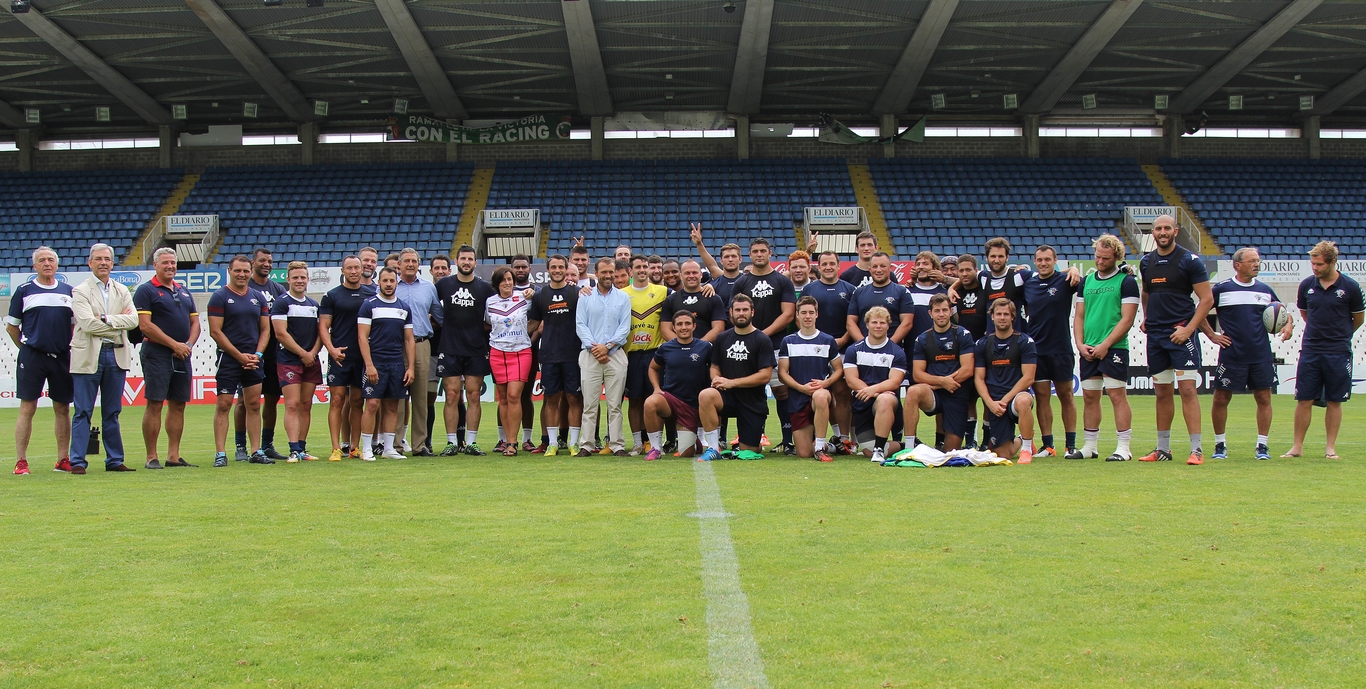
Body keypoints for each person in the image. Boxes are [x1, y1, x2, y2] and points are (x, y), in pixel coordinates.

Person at [1201, 247, 1292, 460]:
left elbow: (1284, 314)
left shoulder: (1265, 290)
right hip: (1232, 354)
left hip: (1261, 354)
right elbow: (1199, 312)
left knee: (1263, 398)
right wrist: (1212, 335)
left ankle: (1262, 446)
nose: (1257, 264)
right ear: (1237, 265)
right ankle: (1220, 445)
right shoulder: (1222, 289)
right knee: (1221, 398)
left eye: (1258, 261)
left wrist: (1288, 325)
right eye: (1252, 261)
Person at [1137, 214, 1214, 465]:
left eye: (1167, 228)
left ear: (1176, 231)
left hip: (1180, 333)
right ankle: (1163, 450)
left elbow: (1207, 300)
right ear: (1153, 233)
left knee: (1188, 390)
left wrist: (1189, 329)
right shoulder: (1146, 261)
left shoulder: (1190, 261)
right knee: (1161, 392)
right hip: (1156, 336)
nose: (1162, 232)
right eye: (1158, 228)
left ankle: (1197, 449)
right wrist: (1147, 317)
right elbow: (1146, 292)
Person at [1285, 240, 1364, 460]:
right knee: (1304, 399)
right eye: (1313, 264)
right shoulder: (1306, 285)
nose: (1315, 268)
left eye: (1319, 264)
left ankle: (1330, 448)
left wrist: (1340, 335)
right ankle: (1297, 447)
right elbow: (1305, 314)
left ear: (1332, 262)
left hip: (1338, 351)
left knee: (1334, 400)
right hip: (1310, 350)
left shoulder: (1350, 287)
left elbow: (1358, 319)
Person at [70, 243, 143, 473]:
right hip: (88, 356)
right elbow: (86, 324)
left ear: (112, 263)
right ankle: (78, 462)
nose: (103, 263)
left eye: (107, 259)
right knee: (83, 411)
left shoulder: (122, 290)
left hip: (116, 354)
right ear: (90, 263)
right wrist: (115, 322)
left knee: (112, 412)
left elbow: (133, 321)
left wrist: (103, 318)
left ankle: (114, 460)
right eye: (98, 259)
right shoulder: (80, 290)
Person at [7, 246, 76, 475]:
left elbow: (74, 326)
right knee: (27, 407)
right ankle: (21, 462)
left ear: (57, 265)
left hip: (61, 357)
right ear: (34, 265)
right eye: (42, 260)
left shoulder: (69, 291)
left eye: (50, 260)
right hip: (33, 356)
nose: (47, 263)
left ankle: (63, 459)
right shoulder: (24, 290)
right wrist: (27, 347)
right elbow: (11, 326)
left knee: (62, 408)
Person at [1071, 234, 1139, 462]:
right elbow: (1079, 316)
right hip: (1088, 348)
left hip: (1115, 348)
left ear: (1116, 257)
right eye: (1097, 256)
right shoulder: (1086, 281)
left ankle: (1124, 447)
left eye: (1105, 258)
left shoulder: (1126, 281)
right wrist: (1080, 344)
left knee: (1116, 395)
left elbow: (1127, 319)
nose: (1100, 261)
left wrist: (1105, 345)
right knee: (1090, 397)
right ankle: (1090, 446)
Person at [135, 247, 199, 471]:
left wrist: (187, 346)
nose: (170, 266)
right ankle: (152, 456)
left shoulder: (184, 291)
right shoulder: (146, 290)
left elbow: (195, 324)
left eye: (173, 262)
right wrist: (174, 345)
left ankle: (174, 455)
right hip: (157, 353)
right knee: (154, 403)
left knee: (179, 405)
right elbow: (145, 326)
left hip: (183, 353)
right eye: (165, 263)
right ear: (155, 265)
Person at [732, 238, 797, 451]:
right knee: (750, 391)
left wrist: (761, 335)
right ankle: (753, 437)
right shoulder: (742, 282)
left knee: (781, 391)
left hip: (777, 345)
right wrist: (753, 337)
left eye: (763, 251)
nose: (759, 254)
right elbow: (733, 311)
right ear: (749, 255)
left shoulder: (782, 281)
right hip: (747, 347)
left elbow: (788, 314)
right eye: (755, 251)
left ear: (770, 253)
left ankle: (787, 440)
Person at [208, 255, 272, 467]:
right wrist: (238, 356)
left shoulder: (258, 297)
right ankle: (220, 453)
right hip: (229, 359)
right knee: (224, 404)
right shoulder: (219, 296)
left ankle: (256, 451)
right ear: (229, 271)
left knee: (253, 404)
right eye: (238, 271)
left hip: (253, 359)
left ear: (250, 270)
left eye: (246, 271)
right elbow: (215, 332)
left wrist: (258, 355)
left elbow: (265, 329)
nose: (242, 275)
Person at [698, 295, 776, 461]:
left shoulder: (762, 340)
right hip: (726, 397)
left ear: (752, 312)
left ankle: (749, 440)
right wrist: (716, 379)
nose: (741, 313)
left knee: (750, 450)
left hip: (752, 401)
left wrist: (731, 382)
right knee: (706, 394)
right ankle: (713, 448)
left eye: (745, 310)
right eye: (737, 310)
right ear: (731, 313)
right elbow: (714, 366)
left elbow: (765, 376)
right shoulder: (722, 338)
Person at [435, 245, 496, 456]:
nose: (467, 262)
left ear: (476, 263)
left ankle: (471, 442)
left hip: (476, 348)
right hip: (450, 347)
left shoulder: (485, 288)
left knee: (474, 396)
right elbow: (432, 308)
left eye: (470, 259)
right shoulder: (443, 285)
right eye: (463, 259)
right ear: (456, 261)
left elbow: (495, 314)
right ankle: (452, 442)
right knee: (451, 396)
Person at [1022, 245, 1080, 458]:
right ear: (1035, 261)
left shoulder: (1066, 281)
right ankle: (1048, 446)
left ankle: (1070, 445)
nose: (1044, 263)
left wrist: (1073, 269)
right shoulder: (1028, 282)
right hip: (1036, 350)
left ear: (1055, 261)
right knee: (1042, 396)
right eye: (1040, 260)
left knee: (1066, 395)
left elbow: (1084, 279)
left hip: (1061, 348)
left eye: (1048, 259)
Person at [320, 255, 375, 461]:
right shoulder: (331, 296)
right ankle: (336, 448)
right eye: (349, 268)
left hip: (362, 357)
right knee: (336, 400)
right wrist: (331, 349)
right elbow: (323, 327)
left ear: (362, 270)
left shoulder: (371, 295)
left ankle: (354, 447)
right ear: (342, 271)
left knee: (357, 401)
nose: (353, 271)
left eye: (357, 267)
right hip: (340, 356)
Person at [358, 267, 415, 461]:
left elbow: (409, 340)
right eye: (385, 281)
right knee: (372, 404)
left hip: (396, 364)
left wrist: (411, 367)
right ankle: (366, 448)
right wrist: (369, 365)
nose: (389, 284)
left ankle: (389, 448)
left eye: (392, 281)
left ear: (396, 283)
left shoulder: (404, 308)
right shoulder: (369, 305)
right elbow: (362, 337)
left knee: (392, 406)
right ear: (379, 282)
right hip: (376, 363)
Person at [575, 257, 632, 456]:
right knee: (589, 404)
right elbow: (580, 325)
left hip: (615, 354)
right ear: (596, 273)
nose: (608, 276)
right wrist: (595, 348)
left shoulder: (623, 298)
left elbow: (625, 328)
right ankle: (587, 445)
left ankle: (617, 445)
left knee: (615, 404)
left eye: (611, 272)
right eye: (604, 272)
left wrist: (607, 347)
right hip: (591, 355)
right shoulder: (585, 296)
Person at [800, 250, 856, 450]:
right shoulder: (809, 289)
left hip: (843, 347)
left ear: (839, 265)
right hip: (815, 348)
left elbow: (854, 320)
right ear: (819, 266)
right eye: (824, 264)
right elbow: (802, 317)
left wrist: (843, 340)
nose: (828, 267)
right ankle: (825, 435)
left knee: (842, 392)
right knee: (819, 390)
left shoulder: (850, 289)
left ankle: (844, 438)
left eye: (832, 263)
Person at [906, 294, 976, 452]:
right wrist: (942, 382)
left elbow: (967, 369)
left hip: (956, 393)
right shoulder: (922, 339)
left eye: (945, 310)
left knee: (951, 452)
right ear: (930, 313)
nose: (941, 314)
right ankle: (909, 447)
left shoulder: (962, 335)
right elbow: (917, 374)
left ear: (951, 311)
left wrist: (946, 383)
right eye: (937, 311)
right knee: (913, 391)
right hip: (934, 393)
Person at [237, 247, 288, 461]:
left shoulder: (277, 289)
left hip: (273, 353)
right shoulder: (243, 286)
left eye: (269, 261)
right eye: (262, 261)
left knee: (272, 399)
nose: (266, 264)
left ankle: (267, 445)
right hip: (247, 351)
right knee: (244, 401)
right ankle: (241, 446)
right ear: (252, 262)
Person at [529, 254, 582, 457]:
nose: (558, 270)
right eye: (554, 267)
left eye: (561, 267)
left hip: (573, 354)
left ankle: (574, 443)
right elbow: (533, 324)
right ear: (548, 270)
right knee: (551, 399)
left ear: (566, 268)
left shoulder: (577, 293)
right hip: (549, 354)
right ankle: (552, 443)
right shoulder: (539, 296)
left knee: (574, 398)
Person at [778, 296, 842, 461]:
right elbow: (782, 373)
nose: (807, 316)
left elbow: (838, 369)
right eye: (804, 312)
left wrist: (826, 383)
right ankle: (832, 446)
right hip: (798, 397)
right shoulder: (788, 341)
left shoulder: (827, 340)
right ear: (797, 315)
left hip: (818, 394)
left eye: (811, 312)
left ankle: (820, 447)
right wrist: (801, 388)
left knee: (821, 395)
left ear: (816, 315)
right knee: (804, 454)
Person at [973, 299, 1037, 463]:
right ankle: (1023, 437)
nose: (1002, 318)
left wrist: (1006, 399)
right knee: (1004, 454)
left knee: (1024, 400)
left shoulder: (1024, 341)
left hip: (1015, 398)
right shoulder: (983, 344)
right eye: (999, 314)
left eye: (1006, 314)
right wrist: (990, 403)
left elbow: (1029, 377)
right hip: (995, 403)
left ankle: (1027, 450)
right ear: (992, 317)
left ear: (1013, 317)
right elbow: (978, 378)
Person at [643, 311, 713, 460]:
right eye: (679, 324)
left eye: (687, 323)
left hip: (694, 404)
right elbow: (652, 368)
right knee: (650, 402)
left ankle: (696, 442)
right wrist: (656, 388)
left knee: (686, 454)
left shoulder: (705, 347)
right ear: (673, 328)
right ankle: (655, 448)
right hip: (671, 400)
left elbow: (715, 368)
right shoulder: (665, 348)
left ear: (694, 326)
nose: (684, 327)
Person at [272, 261, 323, 463]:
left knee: (306, 404)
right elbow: (280, 333)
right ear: (288, 279)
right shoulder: (282, 302)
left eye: (303, 277)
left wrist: (312, 353)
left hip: (311, 360)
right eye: (295, 277)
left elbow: (321, 333)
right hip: (289, 360)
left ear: (308, 279)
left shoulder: (313, 304)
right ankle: (293, 449)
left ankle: (302, 448)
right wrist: (303, 353)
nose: (299, 281)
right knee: (292, 405)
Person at [842, 306, 906, 463]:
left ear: (888, 325)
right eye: (875, 322)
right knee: (867, 452)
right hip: (862, 404)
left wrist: (875, 391)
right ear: (867, 324)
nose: (878, 326)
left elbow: (895, 381)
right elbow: (851, 380)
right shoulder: (853, 350)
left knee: (885, 399)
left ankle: (879, 449)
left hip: (887, 403)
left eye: (882, 323)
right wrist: (874, 392)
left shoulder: (897, 352)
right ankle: (901, 445)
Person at [483, 265, 535, 457]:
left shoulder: (525, 298)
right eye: (503, 280)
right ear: (497, 284)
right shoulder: (489, 302)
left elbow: (536, 317)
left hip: (521, 351)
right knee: (503, 399)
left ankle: (513, 442)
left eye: (510, 280)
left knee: (514, 396)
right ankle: (506, 440)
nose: (507, 283)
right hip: (498, 352)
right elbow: (487, 323)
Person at [395, 247, 441, 456]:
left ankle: (419, 445)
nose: (411, 264)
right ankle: (394, 444)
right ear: (399, 265)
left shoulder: (429, 288)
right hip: (397, 346)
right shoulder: (392, 286)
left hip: (422, 343)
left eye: (414, 261)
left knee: (421, 398)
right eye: (407, 261)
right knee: (397, 397)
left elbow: (440, 316)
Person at [624, 254, 670, 454]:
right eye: (638, 267)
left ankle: (654, 442)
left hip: (655, 353)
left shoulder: (663, 292)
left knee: (657, 398)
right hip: (631, 354)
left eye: (645, 266)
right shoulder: (622, 294)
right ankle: (637, 443)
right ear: (630, 271)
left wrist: (707, 286)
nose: (642, 270)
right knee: (634, 400)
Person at [847, 252, 913, 347]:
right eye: (875, 266)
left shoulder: (902, 292)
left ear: (890, 268)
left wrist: (889, 346)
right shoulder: (858, 292)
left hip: (891, 351)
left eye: (883, 266)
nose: (878, 270)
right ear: (869, 269)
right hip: (863, 351)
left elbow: (907, 323)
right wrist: (864, 345)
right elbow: (850, 322)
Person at [509, 254, 539, 452]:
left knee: (526, 394)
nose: (520, 270)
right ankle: (503, 438)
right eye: (517, 267)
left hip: (529, 348)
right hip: (504, 350)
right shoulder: (500, 291)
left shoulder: (537, 293)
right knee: (505, 396)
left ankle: (527, 438)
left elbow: (539, 322)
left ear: (530, 269)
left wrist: (528, 341)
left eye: (524, 267)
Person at [661, 259, 726, 343]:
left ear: (701, 275)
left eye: (694, 272)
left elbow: (719, 328)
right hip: (679, 352)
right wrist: (681, 345)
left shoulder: (713, 298)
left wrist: (699, 346)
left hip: (706, 351)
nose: (691, 276)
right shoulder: (670, 300)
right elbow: (665, 330)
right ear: (681, 276)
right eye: (687, 273)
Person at [425, 254, 452, 452]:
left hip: (453, 349)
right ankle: (426, 441)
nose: (441, 271)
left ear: (450, 270)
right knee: (428, 397)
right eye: (437, 268)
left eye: (444, 268)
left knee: (455, 396)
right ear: (431, 271)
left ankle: (458, 441)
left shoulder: (454, 290)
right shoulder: (426, 292)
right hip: (431, 349)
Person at [690, 224, 745, 304]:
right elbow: (711, 265)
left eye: (733, 256)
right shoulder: (714, 284)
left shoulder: (747, 281)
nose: (730, 259)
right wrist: (699, 244)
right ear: (721, 260)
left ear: (740, 259)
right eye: (726, 257)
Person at [906, 251, 948, 345]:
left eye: (925, 264)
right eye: (918, 264)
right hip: (913, 348)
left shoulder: (946, 292)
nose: (921, 267)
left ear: (935, 268)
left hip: (939, 348)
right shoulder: (907, 291)